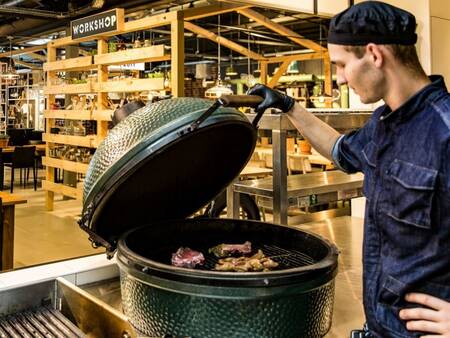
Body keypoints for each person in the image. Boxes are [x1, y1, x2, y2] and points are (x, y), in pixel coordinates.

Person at [247, 1, 450, 337]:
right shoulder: (383, 123)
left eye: (341, 65)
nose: (338, 79)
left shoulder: (444, 130)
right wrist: (288, 105)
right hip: (380, 327)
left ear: (374, 54)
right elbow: (341, 151)